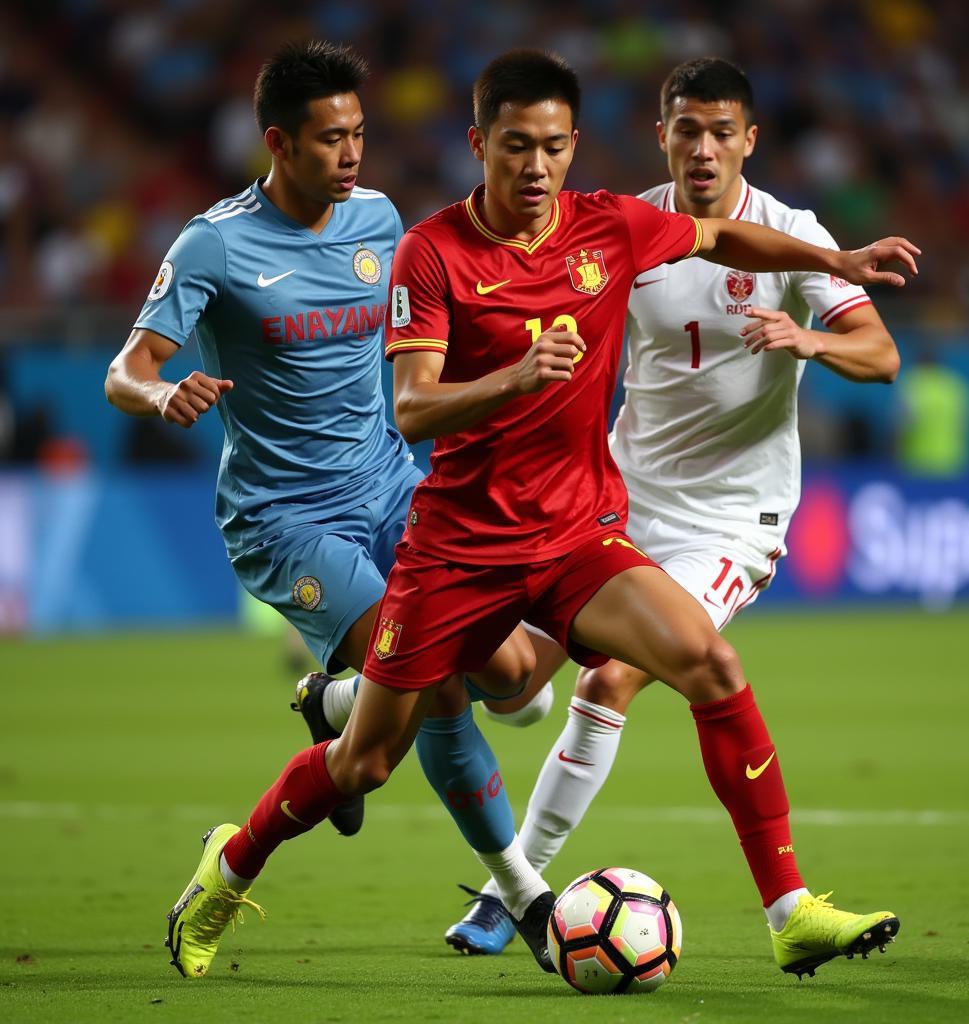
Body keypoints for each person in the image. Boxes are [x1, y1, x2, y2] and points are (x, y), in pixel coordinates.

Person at [170, 48, 917, 983]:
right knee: (364, 764)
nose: (536, 169)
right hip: (456, 552)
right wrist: (517, 377)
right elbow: (414, 407)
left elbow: (722, 239)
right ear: (479, 143)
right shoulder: (431, 252)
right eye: (517, 147)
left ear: (574, 149)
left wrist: (833, 259)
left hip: (577, 536)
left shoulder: (610, 228)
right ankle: (229, 867)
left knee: (706, 663)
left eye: (555, 148)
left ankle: (791, 911)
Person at [445, 56, 905, 965]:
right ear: (662, 135)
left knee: (610, 677)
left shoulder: (791, 233)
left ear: (749, 140)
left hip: (732, 519)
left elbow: (881, 353)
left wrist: (808, 336)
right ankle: (354, 693)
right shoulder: (633, 228)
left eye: (721, 131)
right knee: (509, 677)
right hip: (615, 500)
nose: (703, 148)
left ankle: (520, 898)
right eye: (686, 129)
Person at [105, 40, 537, 979]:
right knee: (436, 687)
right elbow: (123, 372)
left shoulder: (378, 219)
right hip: (285, 518)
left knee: (515, 680)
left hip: (390, 486)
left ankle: (336, 699)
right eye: (331, 139)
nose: (352, 156)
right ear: (278, 143)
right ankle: (520, 890)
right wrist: (163, 393)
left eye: (360, 135)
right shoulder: (213, 244)